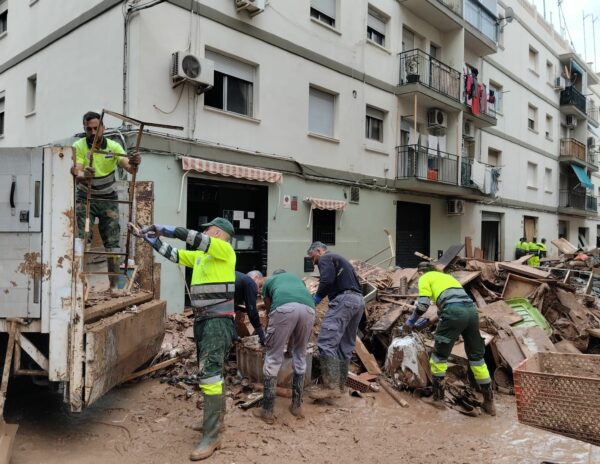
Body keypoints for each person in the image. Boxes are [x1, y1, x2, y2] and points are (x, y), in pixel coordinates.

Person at [138, 218, 235, 461]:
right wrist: (154, 241)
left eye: (208, 229)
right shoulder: (202, 258)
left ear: (220, 234)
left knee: (210, 375)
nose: (204, 231)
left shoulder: (225, 250)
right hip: (203, 320)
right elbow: (175, 254)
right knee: (214, 373)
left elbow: (194, 238)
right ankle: (216, 424)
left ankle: (211, 437)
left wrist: (167, 229)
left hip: (217, 321)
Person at [406, 261, 496, 416]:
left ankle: (438, 399)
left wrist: (410, 322)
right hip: (472, 312)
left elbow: (422, 305)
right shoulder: (447, 278)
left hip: (454, 313)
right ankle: (489, 403)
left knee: (439, 357)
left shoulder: (424, 278)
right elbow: (452, 304)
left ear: (421, 272)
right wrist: (425, 323)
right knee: (477, 358)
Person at [72, 111, 140, 294]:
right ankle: (80, 283)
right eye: (89, 129)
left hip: (108, 199)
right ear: (84, 129)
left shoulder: (113, 147)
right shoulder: (79, 146)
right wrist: (83, 174)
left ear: (103, 128)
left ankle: (115, 285)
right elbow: (75, 172)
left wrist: (134, 163)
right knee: (81, 239)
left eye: (96, 128)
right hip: (86, 198)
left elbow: (129, 167)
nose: (93, 132)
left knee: (113, 242)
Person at [252, 269, 316, 423]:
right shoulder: (296, 279)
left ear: (274, 275)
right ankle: (296, 406)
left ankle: (267, 411)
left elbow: (269, 307)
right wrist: (290, 346)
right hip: (308, 309)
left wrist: (271, 328)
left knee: (273, 356)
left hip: (283, 309)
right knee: (300, 354)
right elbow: (297, 310)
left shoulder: (269, 282)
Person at [306, 242, 364, 401]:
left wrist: (317, 298)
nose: (314, 262)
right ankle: (340, 387)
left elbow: (327, 279)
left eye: (313, 259)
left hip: (343, 300)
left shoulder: (326, 258)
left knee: (325, 342)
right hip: (358, 301)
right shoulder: (341, 260)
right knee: (345, 346)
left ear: (319, 251)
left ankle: (330, 387)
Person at [234, 270, 266, 345]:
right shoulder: (250, 282)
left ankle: (234, 338)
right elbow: (252, 311)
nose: (258, 290)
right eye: (260, 285)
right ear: (256, 278)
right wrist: (262, 335)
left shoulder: (238, 277)